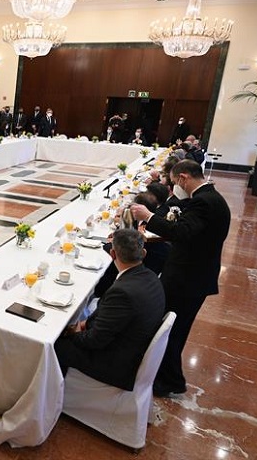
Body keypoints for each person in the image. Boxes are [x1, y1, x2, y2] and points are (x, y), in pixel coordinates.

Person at [130, 159, 230, 397]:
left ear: (183, 178)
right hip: (193, 275)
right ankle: (168, 376)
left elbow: (182, 233)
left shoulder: (203, 202)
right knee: (172, 328)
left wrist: (149, 216)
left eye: (175, 182)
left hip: (188, 279)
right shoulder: (211, 198)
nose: (175, 187)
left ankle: (170, 380)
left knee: (171, 329)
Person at [55, 229, 165, 391]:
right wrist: (84, 324)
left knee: (54, 344)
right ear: (144, 253)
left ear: (112, 254)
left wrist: (74, 332)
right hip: (131, 346)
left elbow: (94, 341)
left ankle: (51, 397)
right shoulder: (151, 277)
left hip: (116, 364)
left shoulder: (122, 292)